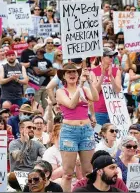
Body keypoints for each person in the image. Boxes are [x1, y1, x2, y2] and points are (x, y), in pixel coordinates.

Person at [55, 63, 99, 192]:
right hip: (69, 132)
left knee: (89, 171)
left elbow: (95, 97)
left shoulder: (85, 90)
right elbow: (71, 104)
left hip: (86, 130)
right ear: (63, 75)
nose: (72, 74)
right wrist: (80, 85)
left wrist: (89, 81)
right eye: (68, 72)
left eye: (74, 72)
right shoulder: (60, 91)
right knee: (68, 173)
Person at [90, 47, 122, 125]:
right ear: (102, 57)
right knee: (98, 134)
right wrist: (102, 75)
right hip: (99, 111)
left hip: (114, 110)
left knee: (115, 135)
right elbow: (96, 92)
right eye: (110, 56)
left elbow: (118, 90)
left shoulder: (116, 71)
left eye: (113, 56)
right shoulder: (93, 71)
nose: (112, 58)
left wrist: (111, 76)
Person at [30, 44, 55, 109]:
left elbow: (53, 73)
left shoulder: (48, 61)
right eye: (43, 47)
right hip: (36, 86)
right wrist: (48, 70)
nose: (45, 48)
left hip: (47, 86)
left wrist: (42, 71)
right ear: (38, 50)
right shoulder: (33, 61)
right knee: (36, 106)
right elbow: (37, 72)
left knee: (47, 106)